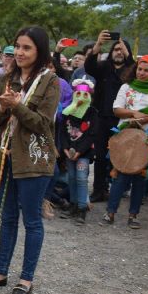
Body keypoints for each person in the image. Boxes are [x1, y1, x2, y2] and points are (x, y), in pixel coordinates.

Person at [0, 26, 60, 294]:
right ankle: (0, 273)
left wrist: (16, 106)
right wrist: (2, 107)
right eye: (17, 47)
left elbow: (42, 123)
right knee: (7, 216)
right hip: (5, 156)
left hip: (34, 159)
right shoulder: (6, 79)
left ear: (40, 51)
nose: (20, 53)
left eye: (27, 48)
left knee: (32, 220)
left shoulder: (50, 81)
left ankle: (26, 278)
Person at [99, 55, 148, 229]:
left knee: (140, 177)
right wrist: (133, 115)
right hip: (126, 136)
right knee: (121, 174)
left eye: (147, 70)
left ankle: (133, 215)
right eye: (140, 69)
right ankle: (110, 212)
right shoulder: (127, 87)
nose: (142, 73)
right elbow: (117, 109)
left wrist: (145, 119)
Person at [84, 31, 136, 203]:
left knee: (120, 156)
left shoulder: (131, 71)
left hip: (121, 120)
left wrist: (128, 54)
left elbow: (137, 68)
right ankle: (99, 190)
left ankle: (118, 190)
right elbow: (89, 67)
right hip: (101, 118)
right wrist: (98, 44)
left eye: (122, 50)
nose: (119, 52)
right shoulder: (104, 68)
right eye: (115, 49)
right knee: (99, 156)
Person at [59, 78, 98, 225]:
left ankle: (82, 208)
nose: (81, 97)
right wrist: (65, 148)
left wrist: (80, 151)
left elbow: (92, 134)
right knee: (72, 178)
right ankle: (73, 205)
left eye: (85, 95)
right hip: (69, 151)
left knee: (81, 178)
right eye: (78, 94)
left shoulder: (92, 113)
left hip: (84, 153)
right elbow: (63, 131)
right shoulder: (68, 111)